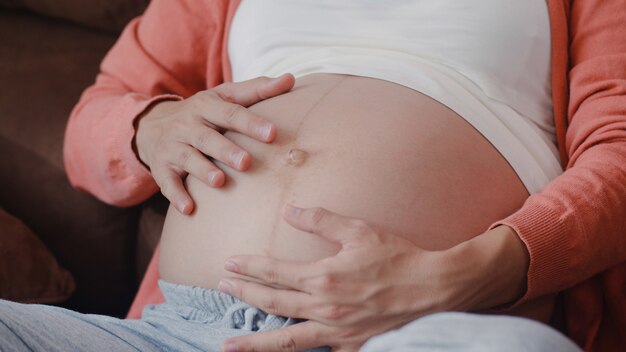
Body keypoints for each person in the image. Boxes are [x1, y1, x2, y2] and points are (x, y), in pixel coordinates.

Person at [1, 0, 625, 351]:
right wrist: (150, 128)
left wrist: (456, 278)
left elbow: (618, 156)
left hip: (419, 328)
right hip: (180, 334)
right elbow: (91, 123)